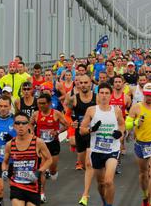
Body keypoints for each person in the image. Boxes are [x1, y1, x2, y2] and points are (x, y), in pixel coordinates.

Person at [79, 82, 125, 206]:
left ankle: (109, 205)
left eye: (107, 93)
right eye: (102, 93)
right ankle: (105, 201)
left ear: (111, 95)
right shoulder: (91, 110)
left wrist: (119, 133)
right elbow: (81, 129)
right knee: (100, 183)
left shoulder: (116, 110)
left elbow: (122, 124)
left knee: (108, 181)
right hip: (96, 150)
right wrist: (91, 130)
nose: (104, 96)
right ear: (98, 95)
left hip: (112, 150)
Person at [2, 112, 52, 206]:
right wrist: (4, 171)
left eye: (24, 123)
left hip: (33, 187)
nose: (20, 126)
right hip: (16, 185)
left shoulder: (38, 142)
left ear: (29, 125)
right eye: (17, 123)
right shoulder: (9, 144)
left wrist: (39, 171)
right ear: (14, 126)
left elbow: (49, 159)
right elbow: (5, 162)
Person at [32, 92, 67, 202]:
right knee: (41, 169)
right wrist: (32, 135)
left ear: (49, 103)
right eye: (39, 103)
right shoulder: (36, 114)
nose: (41, 106)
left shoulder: (56, 113)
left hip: (53, 144)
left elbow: (66, 125)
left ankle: (52, 171)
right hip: (41, 146)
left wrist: (57, 131)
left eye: (43, 103)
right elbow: (29, 125)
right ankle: (41, 193)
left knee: (52, 169)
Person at [67, 74, 96, 205]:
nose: (83, 85)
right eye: (81, 83)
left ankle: (85, 195)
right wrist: (71, 123)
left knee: (89, 163)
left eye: (86, 82)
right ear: (78, 84)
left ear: (91, 83)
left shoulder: (97, 98)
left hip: (94, 133)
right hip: (80, 134)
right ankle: (90, 177)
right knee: (83, 163)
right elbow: (67, 115)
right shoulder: (73, 99)